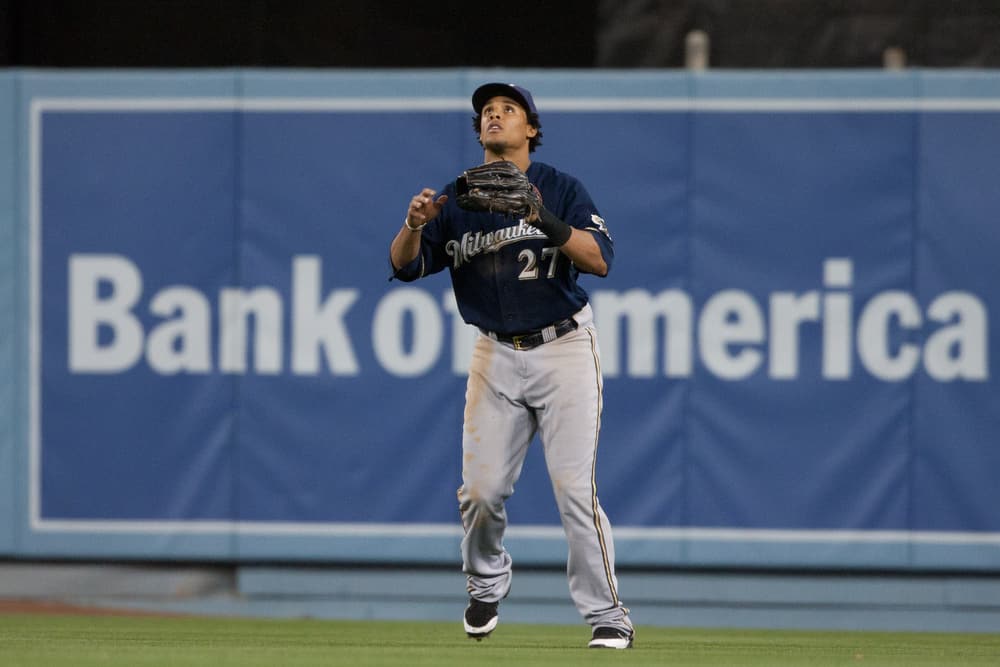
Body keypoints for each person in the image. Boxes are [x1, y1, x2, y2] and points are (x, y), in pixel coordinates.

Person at [388, 82, 634, 649]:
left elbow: (599, 260)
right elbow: (403, 266)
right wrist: (416, 224)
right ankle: (485, 582)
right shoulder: (455, 197)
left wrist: (538, 214)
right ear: (479, 132)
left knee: (575, 489)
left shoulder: (560, 188)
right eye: (486, 113)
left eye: (508, 110)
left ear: (531, 129)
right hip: (495, 352)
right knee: (480, 490)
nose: (494, 116)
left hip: (564, 347)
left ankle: (608, 615)